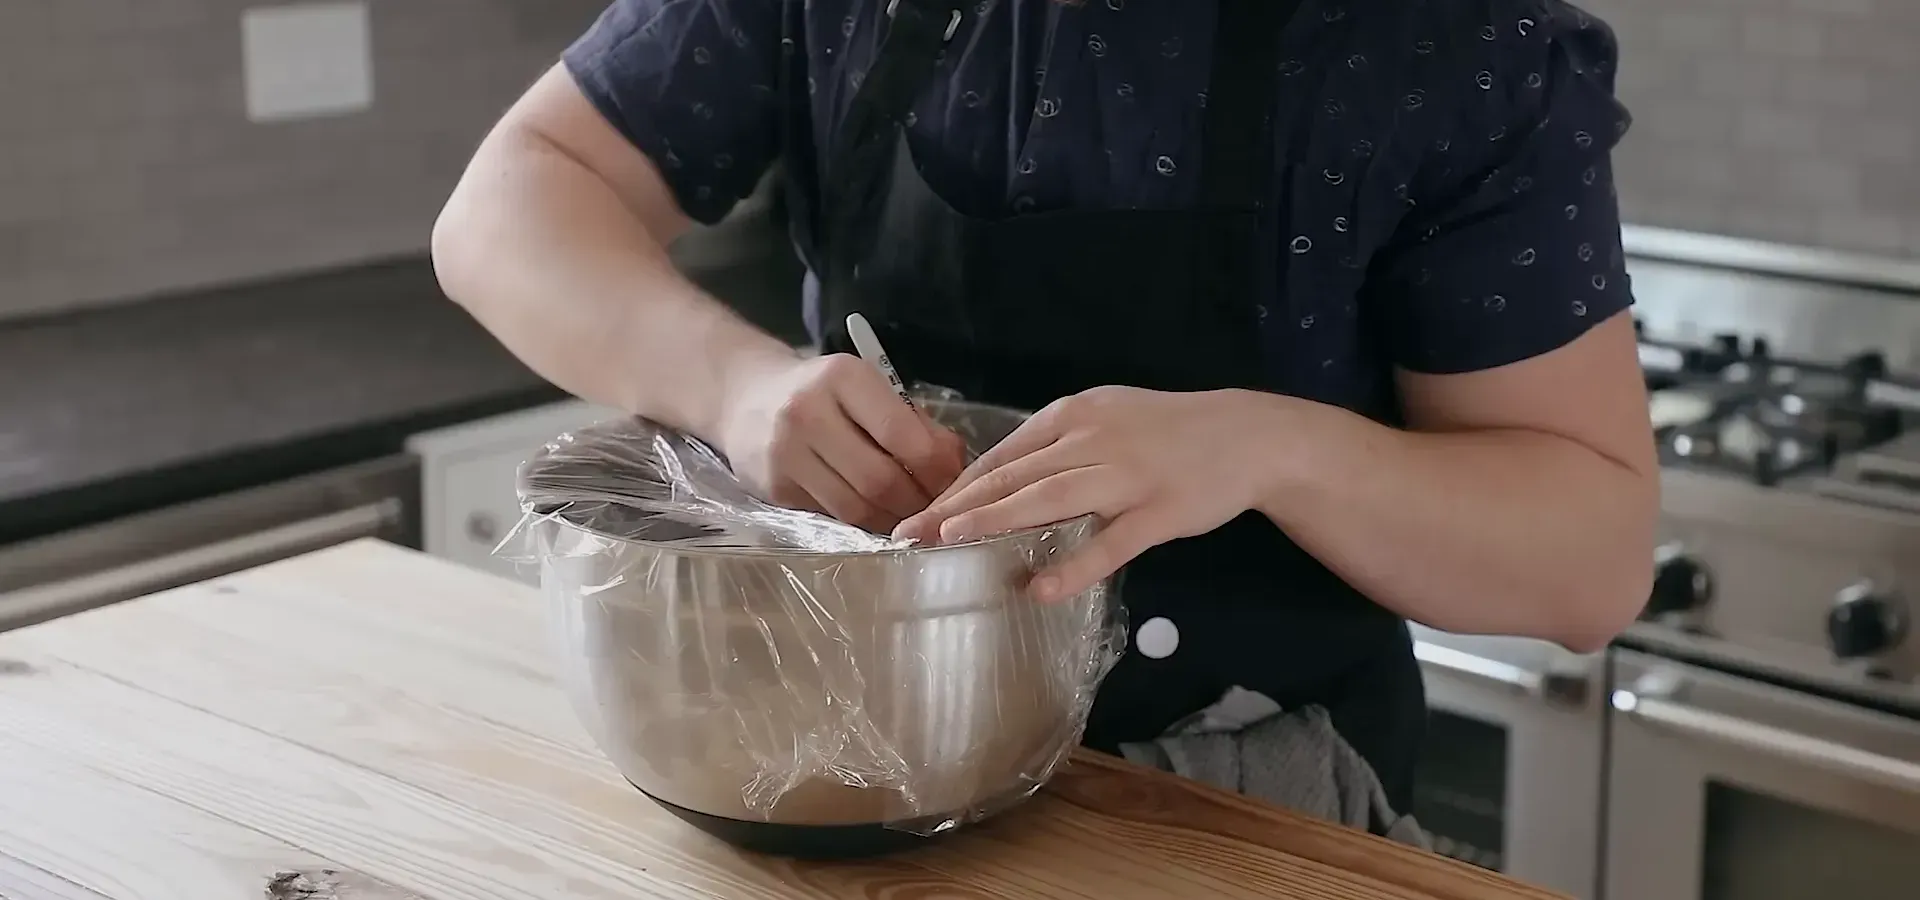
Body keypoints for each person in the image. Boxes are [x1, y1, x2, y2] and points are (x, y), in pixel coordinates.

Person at [432, 0, 1658, 826]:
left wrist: (1271, 447)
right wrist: (737, 387)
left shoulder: (1451, 48)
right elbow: (507, 208)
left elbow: (1590, 560)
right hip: (853, 771)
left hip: (1240, 820)